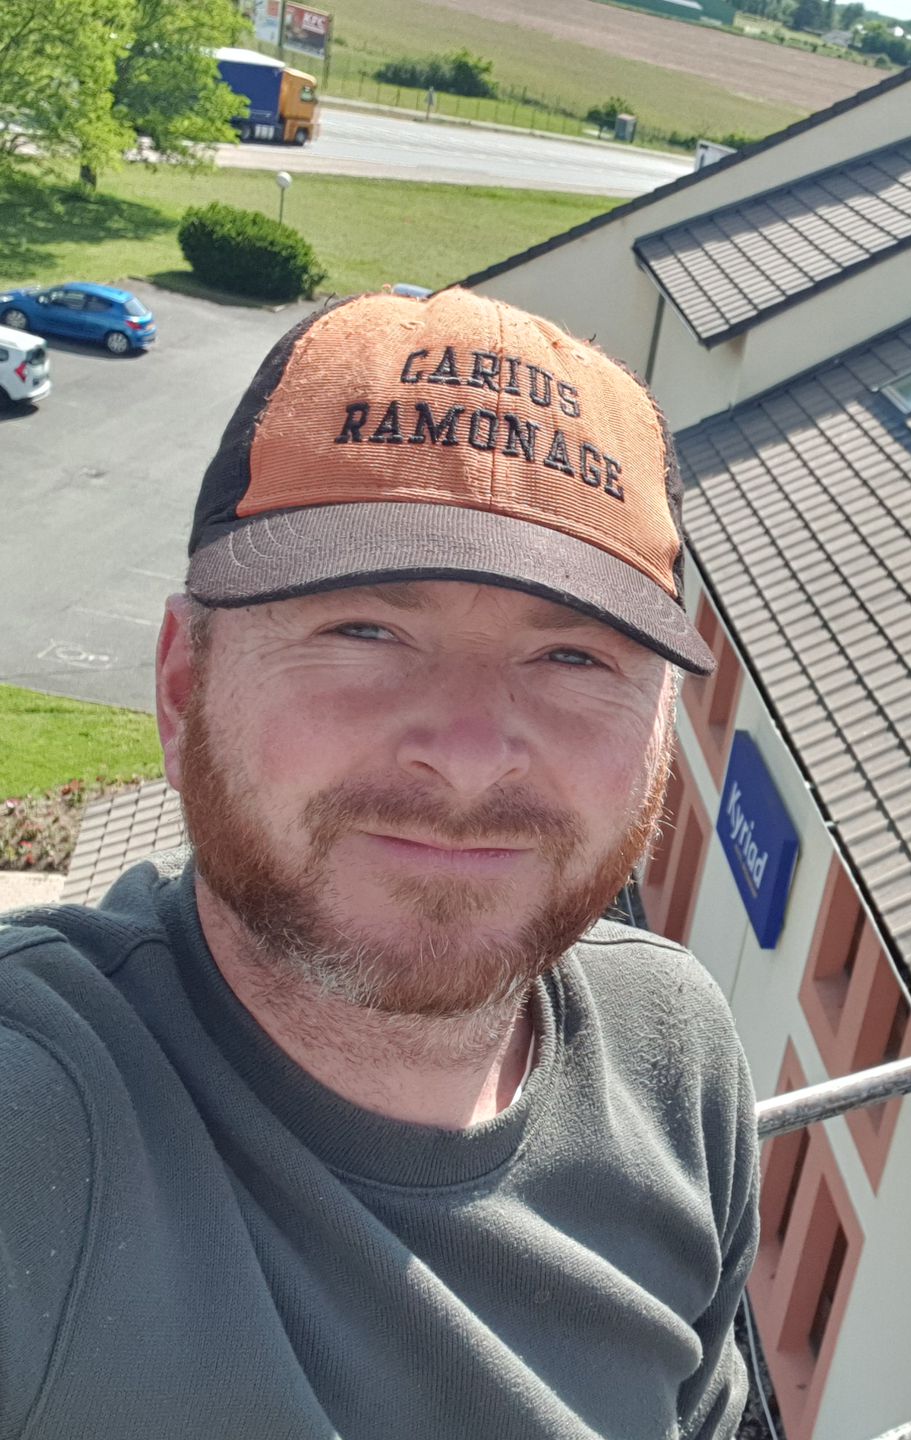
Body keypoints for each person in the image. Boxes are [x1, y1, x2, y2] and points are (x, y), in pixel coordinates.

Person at [0, 288, 760, 1439]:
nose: (468, 754)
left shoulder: (678, 1057)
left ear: (662, 737)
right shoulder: (40, 1125)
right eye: (364, 629)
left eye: (572, 655)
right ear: (183, 687)